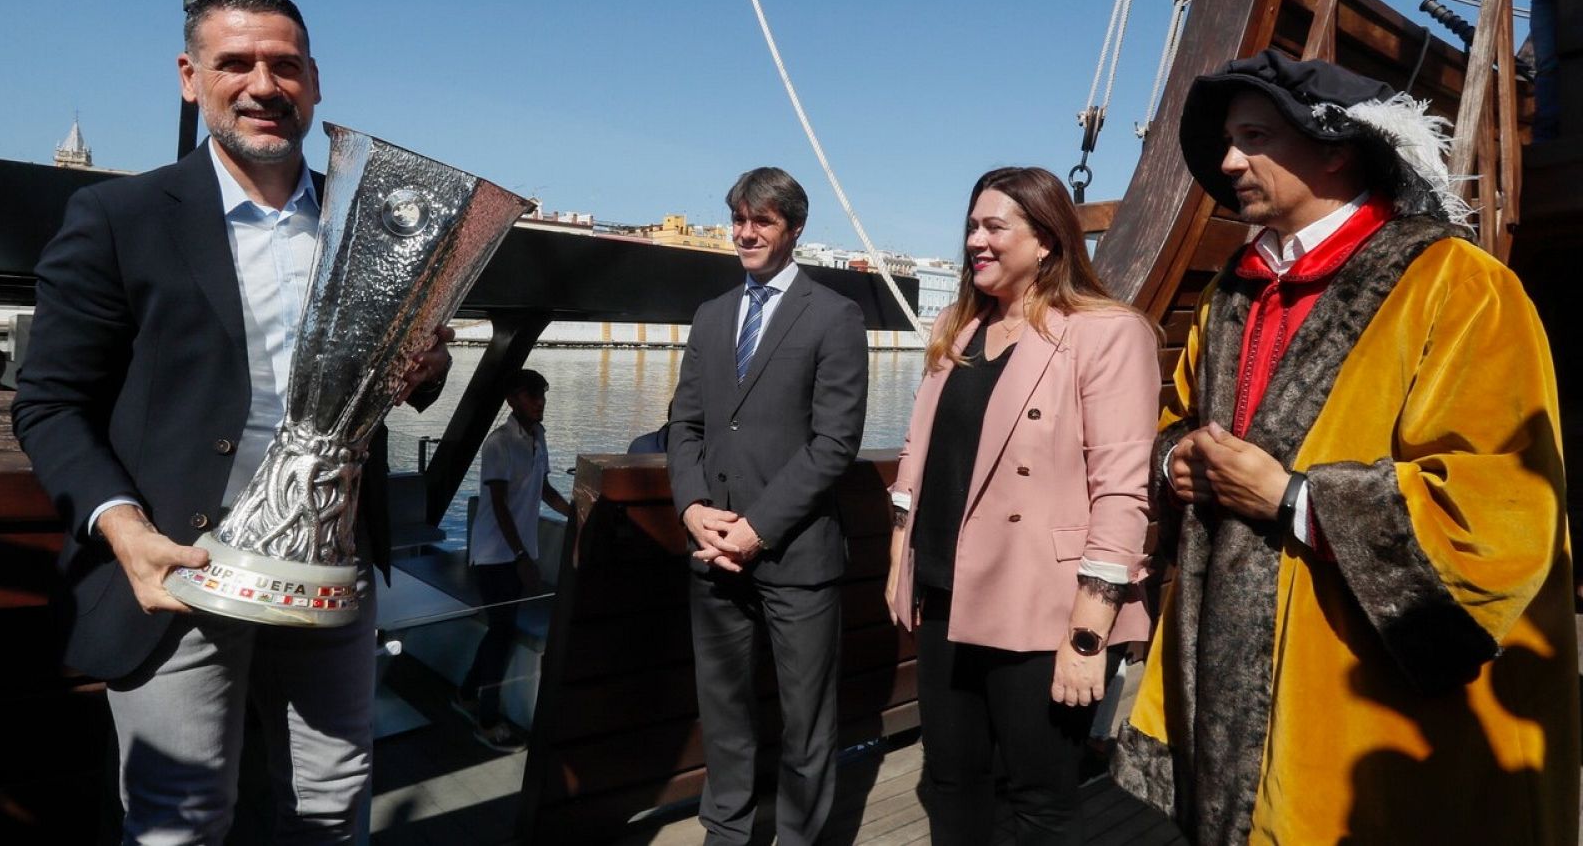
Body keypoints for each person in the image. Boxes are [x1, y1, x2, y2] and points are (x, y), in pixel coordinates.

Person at [11, 0, 451, 843]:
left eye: (284, 65)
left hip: (331, 566)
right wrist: (123, 531)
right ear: (190, 76)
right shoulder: (116, 217)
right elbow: (51, 402)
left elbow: (411, 381)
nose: (263, 84)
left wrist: (427, 365)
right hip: (178, 563)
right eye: (235, 63)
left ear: (315, 82)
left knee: (332, 805)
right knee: (180, 819)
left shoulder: (375, 221)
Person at [1111, 50, 1579, 844]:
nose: (1228, 162)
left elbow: (1501, 505)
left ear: (1336, 147)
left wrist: (1294, 499)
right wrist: (1176, 459)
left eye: (1255, 136)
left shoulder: (1457, 285)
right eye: (1228, 139)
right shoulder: (1235, 291)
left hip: (1370, 703)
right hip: (1230, 670)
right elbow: (1180, 417)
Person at [885, 167, 1158, 844]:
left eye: (994, 226)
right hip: (950, 594)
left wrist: (1087, 637)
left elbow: (1122, 491)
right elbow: (920, 456)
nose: (975, 239)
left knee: (1040, 801)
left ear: (1045, 241)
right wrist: (900, 557)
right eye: (972, 226)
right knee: (949, 783)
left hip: (1046, 609)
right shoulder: (958, 330)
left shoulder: (1107, 333)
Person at [667, 167, 869, 845]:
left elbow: (834, 444)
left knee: (806, 726)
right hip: (712, 549)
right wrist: (693, 506)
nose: (745, 233)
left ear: (795, 230)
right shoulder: (711, 315)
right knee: (723, 717)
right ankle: (724, 836)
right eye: (739, 220)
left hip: (797, 556)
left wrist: (756, 529)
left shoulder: (835, 316)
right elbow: (687, 425)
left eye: (763, 221)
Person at [456, 367, 569, 751]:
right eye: (531, 394)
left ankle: (467, 694)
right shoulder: (498, 443)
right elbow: (500, 504)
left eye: (541, 394)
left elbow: (544, 488)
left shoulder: (538, 437)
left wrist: (577, 515)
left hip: (520, 553)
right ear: (512, 400)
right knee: (502, 632)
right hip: (494, 555)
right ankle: (486, 720)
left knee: (500, 629)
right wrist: (522, 556)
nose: (539, 402)